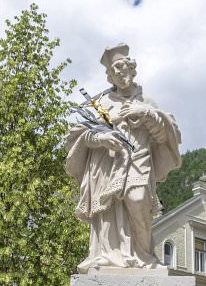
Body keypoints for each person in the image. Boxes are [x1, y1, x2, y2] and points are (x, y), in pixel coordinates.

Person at [66, 43, 182, 273]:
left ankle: (145, 256)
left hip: (139, 158)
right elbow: (81, 134)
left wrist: (146, 114)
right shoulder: (103, 103)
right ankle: (107, 255)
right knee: (107, 210)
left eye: (123, 69)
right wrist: (101, 139)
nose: (120, 75)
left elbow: (164, 136)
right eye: (114, 72)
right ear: (110, 77)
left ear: (132, 70)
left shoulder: (146, 101)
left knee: (138, 199)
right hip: (107, 164)